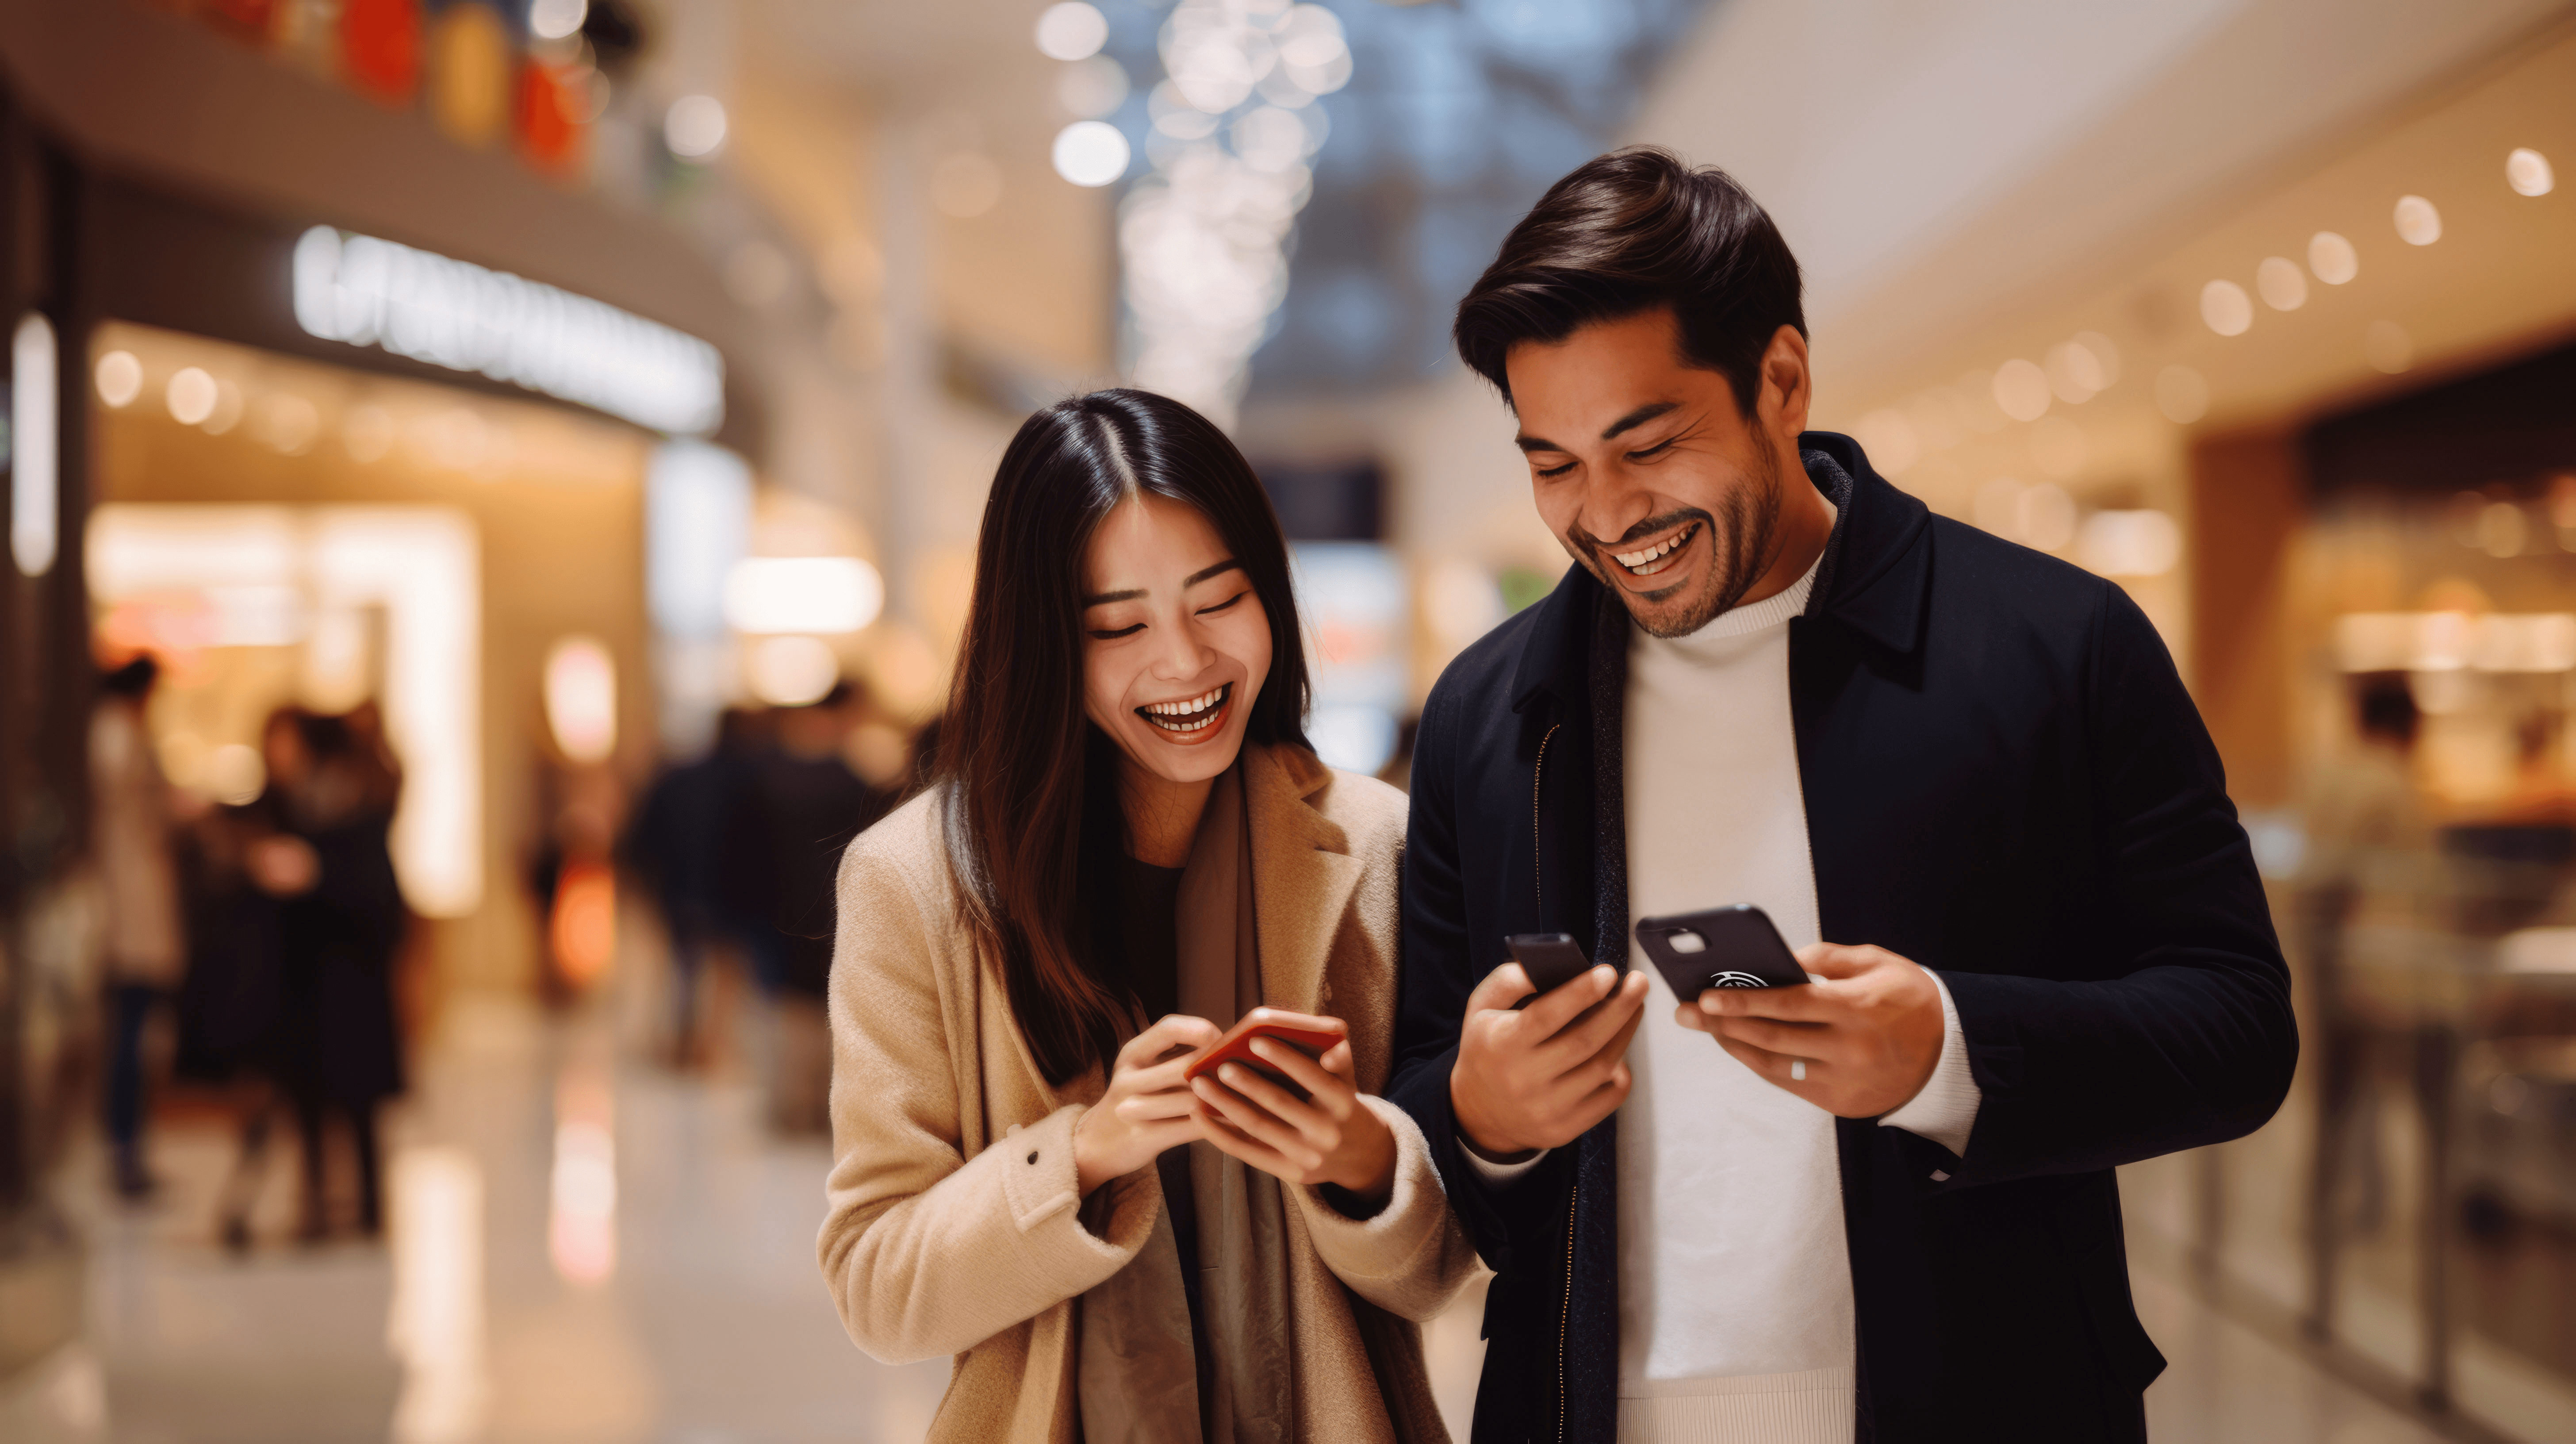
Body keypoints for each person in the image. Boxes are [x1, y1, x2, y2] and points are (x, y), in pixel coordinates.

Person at [1385, 149, 2298, 1443]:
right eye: (1554, 463)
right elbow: (1420, 1088)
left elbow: (2238, 1028)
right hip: (1584, 1404)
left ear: (1783, 379)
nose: (1604, 513)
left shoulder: (2057, 643)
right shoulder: (1491, 713)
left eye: (1648, 443)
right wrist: (1481, 1111)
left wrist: (1950, 1050)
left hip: (1981, 1393)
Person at [817, 389, 1480, 1443]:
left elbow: (1445, 1266)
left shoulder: (1377, 846)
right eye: (1118, 625)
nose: (1184, 661)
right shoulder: (914, 882)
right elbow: (878, 1288)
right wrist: (1086, 1151)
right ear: (1042, 643)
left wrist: (1354, 1154)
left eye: (1219, 599)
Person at [90, 655, 187, 1199]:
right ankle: (124, 1153)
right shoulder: (115, 738)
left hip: (135, 910)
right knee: (130, 1037)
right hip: (128, 914)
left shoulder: (120, 735)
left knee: (136, 1036)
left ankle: (130, 1152)